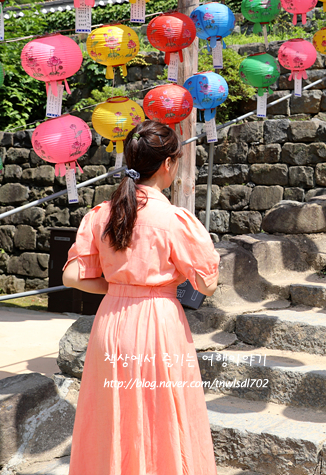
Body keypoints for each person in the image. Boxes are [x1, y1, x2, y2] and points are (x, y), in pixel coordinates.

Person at [62, 120, 220, 475]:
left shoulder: (101, 214)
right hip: (158, 322)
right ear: (168, 163)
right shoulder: (174, 219)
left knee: (110, 416)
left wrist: (119, 288)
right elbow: (207, 283)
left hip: (111, 321)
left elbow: (72, 276)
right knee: (163, 414)